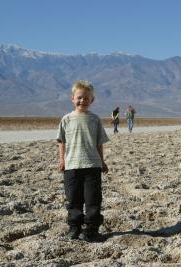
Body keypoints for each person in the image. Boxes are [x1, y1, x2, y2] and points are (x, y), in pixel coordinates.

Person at [57, 80, 109, 241]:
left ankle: (92, 229)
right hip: (72, 165)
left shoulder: (95, 119)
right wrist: (61, 159)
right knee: (73, 200)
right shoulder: (66, 119)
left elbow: (99, 142)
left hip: (92, 165)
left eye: (86, 98)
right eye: (79, 97)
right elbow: (61, 141)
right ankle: (74, 227)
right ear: (72, 98)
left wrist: (102, 161)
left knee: (93, 200)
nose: (82, 101)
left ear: (92, 100)